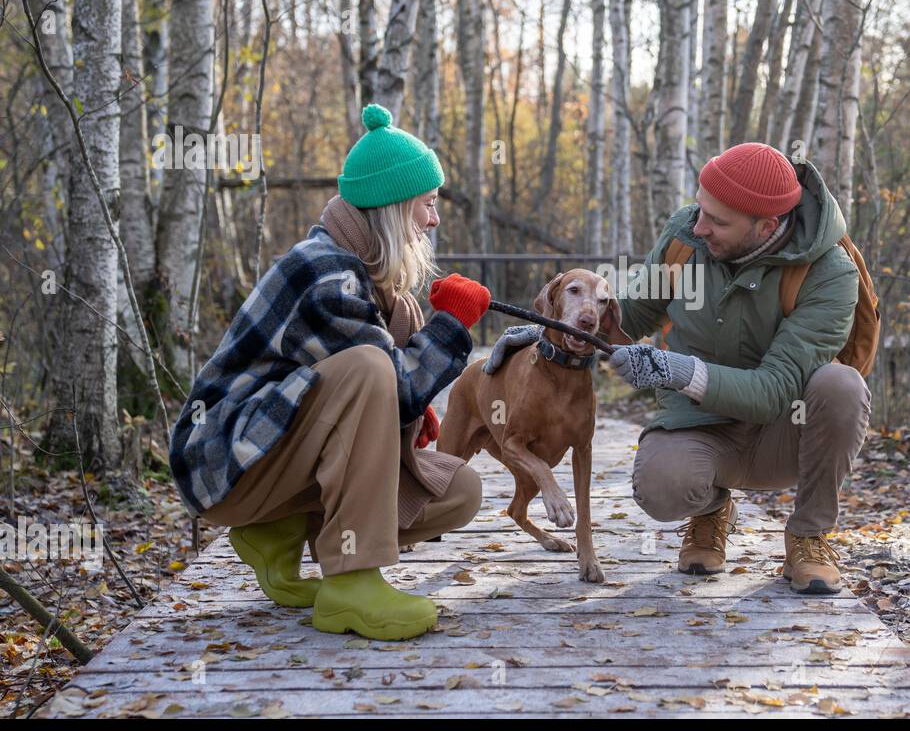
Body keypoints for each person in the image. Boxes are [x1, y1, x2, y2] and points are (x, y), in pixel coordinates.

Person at [169, 103, 492, 641]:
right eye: (427, 205)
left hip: (270, 460)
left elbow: (390, 398)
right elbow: (395, 385)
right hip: (223, 461)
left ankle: (277, 531)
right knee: (368, 367)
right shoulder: (325, 273)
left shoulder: (363, 275)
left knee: (459, 490)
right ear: (393, 207)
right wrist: (452, 325)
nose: (434, 220)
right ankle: (351, 583)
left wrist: (399, 419)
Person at [492, 143, 870, 594]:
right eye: (700, 209)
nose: (700, 226)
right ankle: (710, 512)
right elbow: (628, 318)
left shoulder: (830, 273)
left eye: (717, 221)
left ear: (766, 225)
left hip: (784, 432)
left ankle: (808, 535)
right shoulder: (686, 238)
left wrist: (673, 369)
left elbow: (775, 390)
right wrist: (551, 333)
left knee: (841, 385)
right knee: (661, 485)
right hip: (700, 428)